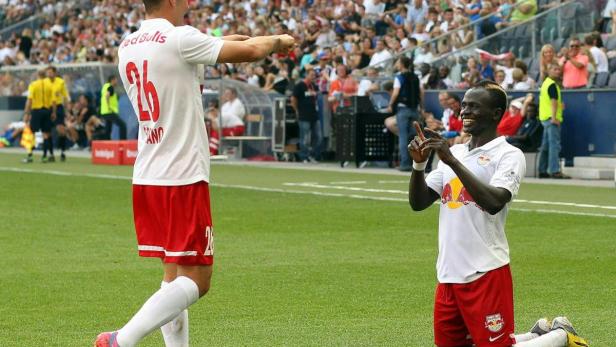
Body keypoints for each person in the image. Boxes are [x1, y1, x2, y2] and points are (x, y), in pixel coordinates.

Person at [95, 0, 295, 345]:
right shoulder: (179, 39)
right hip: (182, 174)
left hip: (147, 173)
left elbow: (205, 43)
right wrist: (278, 40)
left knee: (173, 275)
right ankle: (121, 340)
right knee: (198, 280)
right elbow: (248, 52)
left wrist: (246, 37)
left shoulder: (128, 45)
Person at [406, 80, 588, 347]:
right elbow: (418, 202)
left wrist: (452, 162)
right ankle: (538, 334)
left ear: (495, 113)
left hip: (486, 271)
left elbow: (495, 201)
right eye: (464, 105)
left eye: (473, 107)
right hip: (447, 274)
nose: (464, 112)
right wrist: (418, 164)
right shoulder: (454, 151)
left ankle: (561, 335)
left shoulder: (508, 155)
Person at [386, 56, 421, 171]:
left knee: (403, 136)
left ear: (401, 64)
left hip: (403, 108)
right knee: (415, 135)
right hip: (415, 109)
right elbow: (422, 92)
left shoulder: (399, 77)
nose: (396, 64)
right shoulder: (416, 77)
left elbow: (395, 93)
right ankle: (417, 162)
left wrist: (390, 104)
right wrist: (422, 107)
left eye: (397, 61)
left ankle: (405, 163)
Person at [538, 64, 570, 179]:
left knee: (546, 145)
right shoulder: (552, 85)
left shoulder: (545, 83)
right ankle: (554, 170)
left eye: (558, 70)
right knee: (554, 145)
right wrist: (554, 118)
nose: (558, 71)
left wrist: (559, 107)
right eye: (555, 69)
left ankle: (542, 170)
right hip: (551, 120)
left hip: (545, 118)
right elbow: (553, 102)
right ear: (548, 70)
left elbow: (550, 102)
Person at [23, 69, 56, 163]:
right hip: (47, 110)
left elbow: (29, 100)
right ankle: (44, 156)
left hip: (36, 111)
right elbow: (53, 101)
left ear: (37, 75)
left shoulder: (33, 85)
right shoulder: (50, 85)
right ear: (45, 75)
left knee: (32, 133)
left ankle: (30, 156)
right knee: (46, 134)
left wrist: (26, 113)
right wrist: (54, 112)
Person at [292, 67, 322, 163]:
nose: (313, 77)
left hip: (314, 115)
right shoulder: (300, 85)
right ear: (306, 75)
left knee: (318, 136)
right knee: (304, 137)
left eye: (314, 75)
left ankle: (312, 155)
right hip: (304, 115)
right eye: (311, 75)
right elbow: (293, 99)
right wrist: (297, 110)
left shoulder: (314, 86)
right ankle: (304, 156)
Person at [209, 87, 246, 155]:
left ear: (234, 94)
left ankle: (212, 152)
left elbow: (228, 117)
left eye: (228, 93)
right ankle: (210, 150)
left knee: (217, 132)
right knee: (212, 130)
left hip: (236, 127)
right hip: (228, 126)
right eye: (225, 93)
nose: (225, 95)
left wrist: (214, 118)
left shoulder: (237, 103)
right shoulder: (226, 104)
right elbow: (221, 116)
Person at [46, 65, 71, 161]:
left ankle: (62, 152)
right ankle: (51, 154)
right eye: (48, 72)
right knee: (47, 132)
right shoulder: (45, 83)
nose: (49, 74)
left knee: (61, 130)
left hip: (58, 107)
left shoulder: (60, 82)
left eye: (51, 72)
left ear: (55, 73)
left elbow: (65, 96)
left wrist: (68, 110)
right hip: (47, 108)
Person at [100, 75, 127, 140]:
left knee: (108, 129)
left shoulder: (105, 86)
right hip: (110, 111)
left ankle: (106, 143)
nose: (116, 81)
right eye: (115, 80)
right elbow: (107, 95)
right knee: (122, 125)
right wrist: (109, 106)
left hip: (104, 112)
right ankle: (123, 142)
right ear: (112, 80)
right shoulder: (110, 87)